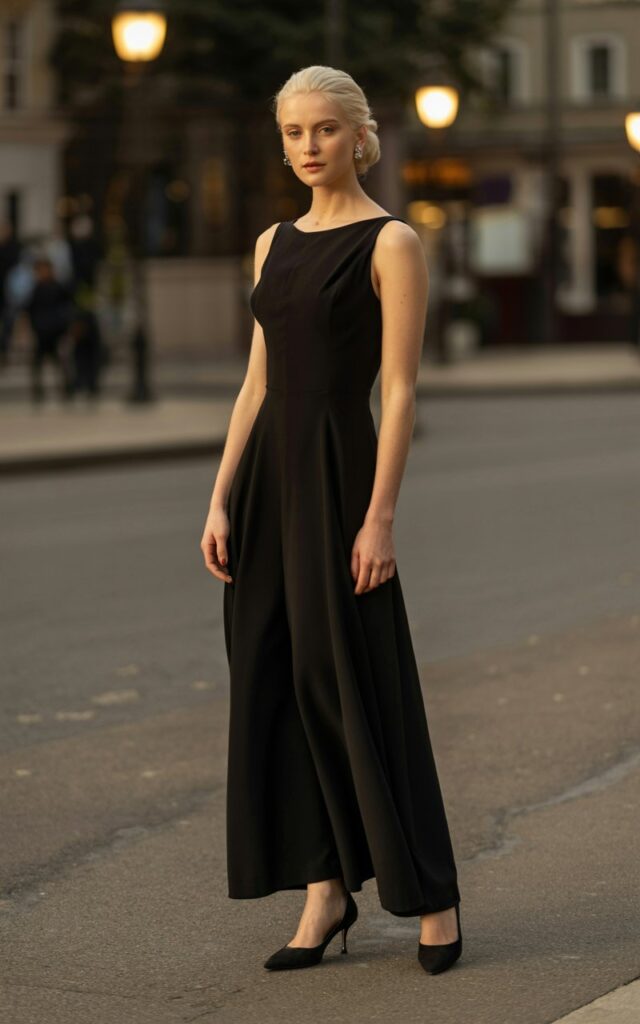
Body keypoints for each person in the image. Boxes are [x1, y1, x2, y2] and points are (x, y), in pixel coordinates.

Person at [200, 65, 462, 976]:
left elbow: (399, 390)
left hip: (342, 476)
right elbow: (256, 383)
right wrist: (221, 492)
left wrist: (380, 518)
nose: (307, 147)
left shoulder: (391, 243)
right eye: (292, 133)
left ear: (360, 135)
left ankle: (430, 892)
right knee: (276, 680)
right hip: (271, 480)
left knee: (359, 679)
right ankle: (324, 891)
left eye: (323, 130)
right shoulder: (273, 241)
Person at [25, 256, 74, 403]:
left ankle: (66, 389)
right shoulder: (36, 289)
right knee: (37, 363)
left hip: (55, 331)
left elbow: (67, 307)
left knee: (60, 362)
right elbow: (29, 310)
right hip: (41, 332)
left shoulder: (58, 287)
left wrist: (65, 326)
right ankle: (38, 391)